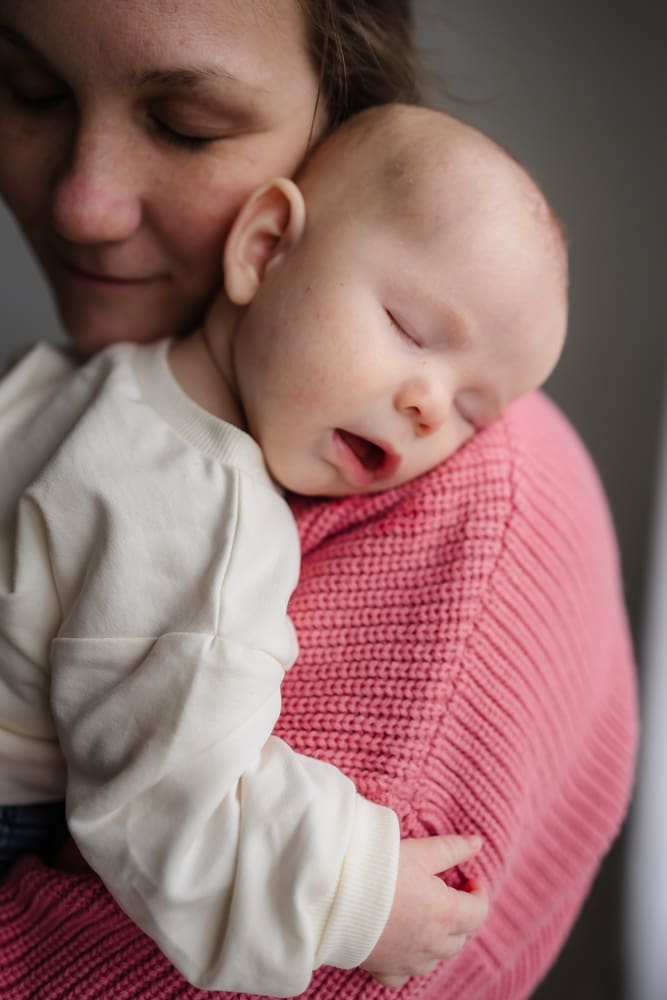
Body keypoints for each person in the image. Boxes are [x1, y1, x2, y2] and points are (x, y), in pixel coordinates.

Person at [0, 3, 638, 1000]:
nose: (430, 408)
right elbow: (176, 807)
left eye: (477, 406)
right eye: (403, 326)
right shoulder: (194, 506)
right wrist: (355, 891)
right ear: (267, 248)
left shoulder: (103, 394)